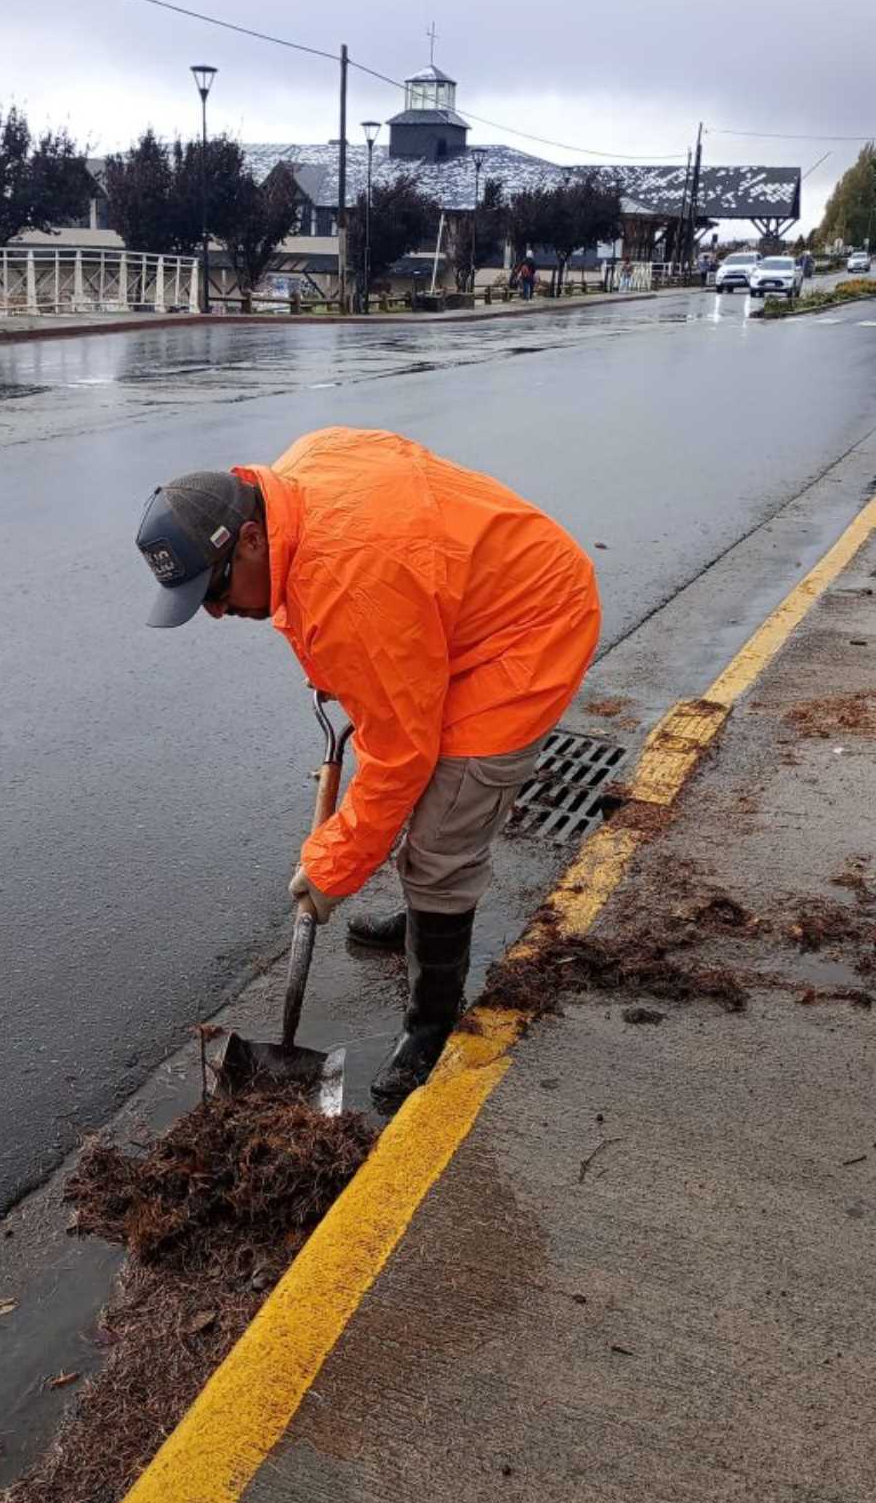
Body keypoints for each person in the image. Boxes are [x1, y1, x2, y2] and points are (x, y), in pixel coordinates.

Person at [135, 427, 600, 1113]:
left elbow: (399, 756)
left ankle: (432, 1019)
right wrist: (371, 658)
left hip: (524, 631)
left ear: (254, 539)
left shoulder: (351, 588)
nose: (215, 610)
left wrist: (331, 871)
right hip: (463, 608)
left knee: (444, 832)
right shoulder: (299, 476)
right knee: (417, 786)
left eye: (217, 587)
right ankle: (423, 928)